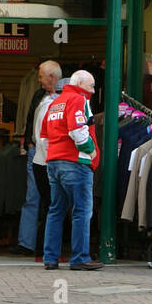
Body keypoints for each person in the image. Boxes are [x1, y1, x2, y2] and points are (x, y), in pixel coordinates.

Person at [41, 70, 102, 271]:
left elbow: (44, 136)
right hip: (75, 162)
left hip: (54, 161)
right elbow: (77, 130)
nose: (93, 90)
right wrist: (91, 151)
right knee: (82, 211)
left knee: (56, 211)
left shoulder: (54, 103)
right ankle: (80, 258)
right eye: (91, 86)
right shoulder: (78, 99)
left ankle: (50, 258)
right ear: (81, 85)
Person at [15, 60, 60, 256]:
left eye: (41, 76)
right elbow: (30, 119)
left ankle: (48, 246)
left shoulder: (65, 98)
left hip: (56, 155)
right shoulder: (39, 95)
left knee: (55, 200)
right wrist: (30, 145)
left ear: (52, 77)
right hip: (36, 152)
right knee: (32, 197)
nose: (39, 80)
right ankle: (26, 243)